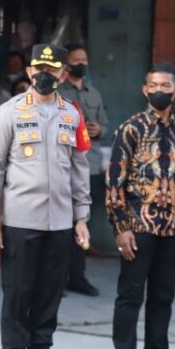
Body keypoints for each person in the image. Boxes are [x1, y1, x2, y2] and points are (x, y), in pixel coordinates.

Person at [0, 44, 92, 349]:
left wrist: (82, 217)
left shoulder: (71, 114)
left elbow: (79, 169)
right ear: (30, 72)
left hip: (59, 221)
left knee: (49, 294)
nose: (45, 75)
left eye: (52, 69)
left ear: (62, 74)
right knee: (18, 294)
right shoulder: (10, 112)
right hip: (19, 220)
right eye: (38, 68)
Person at [106, 62, 175, 349]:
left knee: (163, 295)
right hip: (137, 225)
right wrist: (120, 226)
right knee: (131, 295)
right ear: (145, 90)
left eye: (166, 85)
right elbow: (114, 180)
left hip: (173, 226)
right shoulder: (130, 129)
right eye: (154, 85)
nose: (160, 90)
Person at [58, 43, 110, 297]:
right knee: (60, 225)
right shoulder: (58, 91)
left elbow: (106, 125)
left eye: (84, 58)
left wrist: (99, 130)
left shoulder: (94, 93)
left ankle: (77, 277)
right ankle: (57, 278)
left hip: (89, 165)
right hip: (64, 165)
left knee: (81, 222)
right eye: (76, 59)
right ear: (67, 64)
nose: (82, 62)